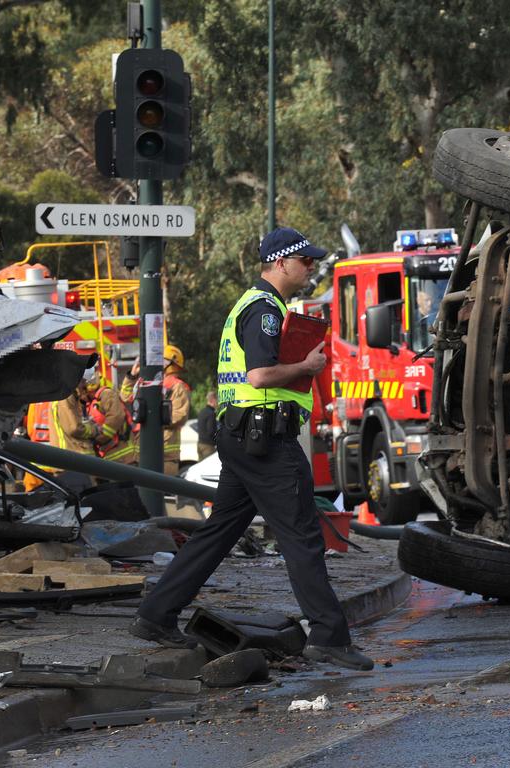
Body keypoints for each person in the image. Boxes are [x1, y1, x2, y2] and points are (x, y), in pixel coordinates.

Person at [129, 226, 373, 672]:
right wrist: (307, 365)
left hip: (243, 437)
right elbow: (259, 376)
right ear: (281, 263)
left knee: (220, 530)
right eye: (306, 261)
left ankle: (155, 614)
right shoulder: (263, 310)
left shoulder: (255, 305)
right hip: (265, 441)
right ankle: (329, 637)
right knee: (302, 536)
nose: (312, 268)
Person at [120, 344, 192, 475]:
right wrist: (132, 376)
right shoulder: (147, 382)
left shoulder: (178, 387)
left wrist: (153, 418)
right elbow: (125, 397)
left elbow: (179, 416)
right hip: (142, 452)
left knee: (160, 493)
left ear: (167, 363)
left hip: (164, 456)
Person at [196, 390, 218, 460]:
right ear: (213, 400)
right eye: (217, 400)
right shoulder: (211, 413)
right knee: (209, 469)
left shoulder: (202, 412)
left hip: (200, 444)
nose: (217, 403)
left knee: (201, 468)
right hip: (208, 446)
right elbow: (211, 431)